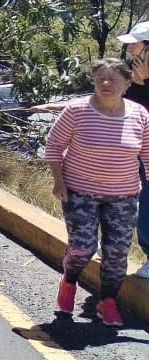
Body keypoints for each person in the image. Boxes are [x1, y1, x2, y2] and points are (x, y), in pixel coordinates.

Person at [45, 58, 149, 327]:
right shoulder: (76, 111)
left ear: (128, 83)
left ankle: (108, 302)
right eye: (101, 78)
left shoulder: (139, 114)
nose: (106, 83)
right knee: (82, 247)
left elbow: (147, 155)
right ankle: (69, 282)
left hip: (123, 196)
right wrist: (58, 181)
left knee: (116, 253)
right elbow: (54, 146)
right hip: (80, 191)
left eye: (114, 79)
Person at [117, 21, 149, 278]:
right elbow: (133, 110)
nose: (128, 48)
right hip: (141, 150)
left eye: (134, 43)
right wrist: (139, 84)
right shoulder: (134, 72)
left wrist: (146, 81)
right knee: (143, 200)